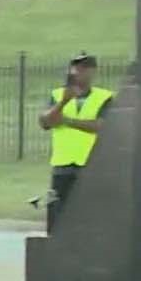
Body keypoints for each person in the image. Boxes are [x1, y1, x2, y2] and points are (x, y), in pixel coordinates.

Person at [38, 51, 112, 231]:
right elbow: (45, 122)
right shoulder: (57, 95)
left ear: (93, 71)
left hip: (92, 165)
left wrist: (67, 121)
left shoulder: (104, 97)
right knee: (58, 218)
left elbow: (102, 126)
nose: (79, 72)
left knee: (90, 217)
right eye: (76, 68)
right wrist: (63, 102)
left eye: (84, 68)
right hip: (63, 166)